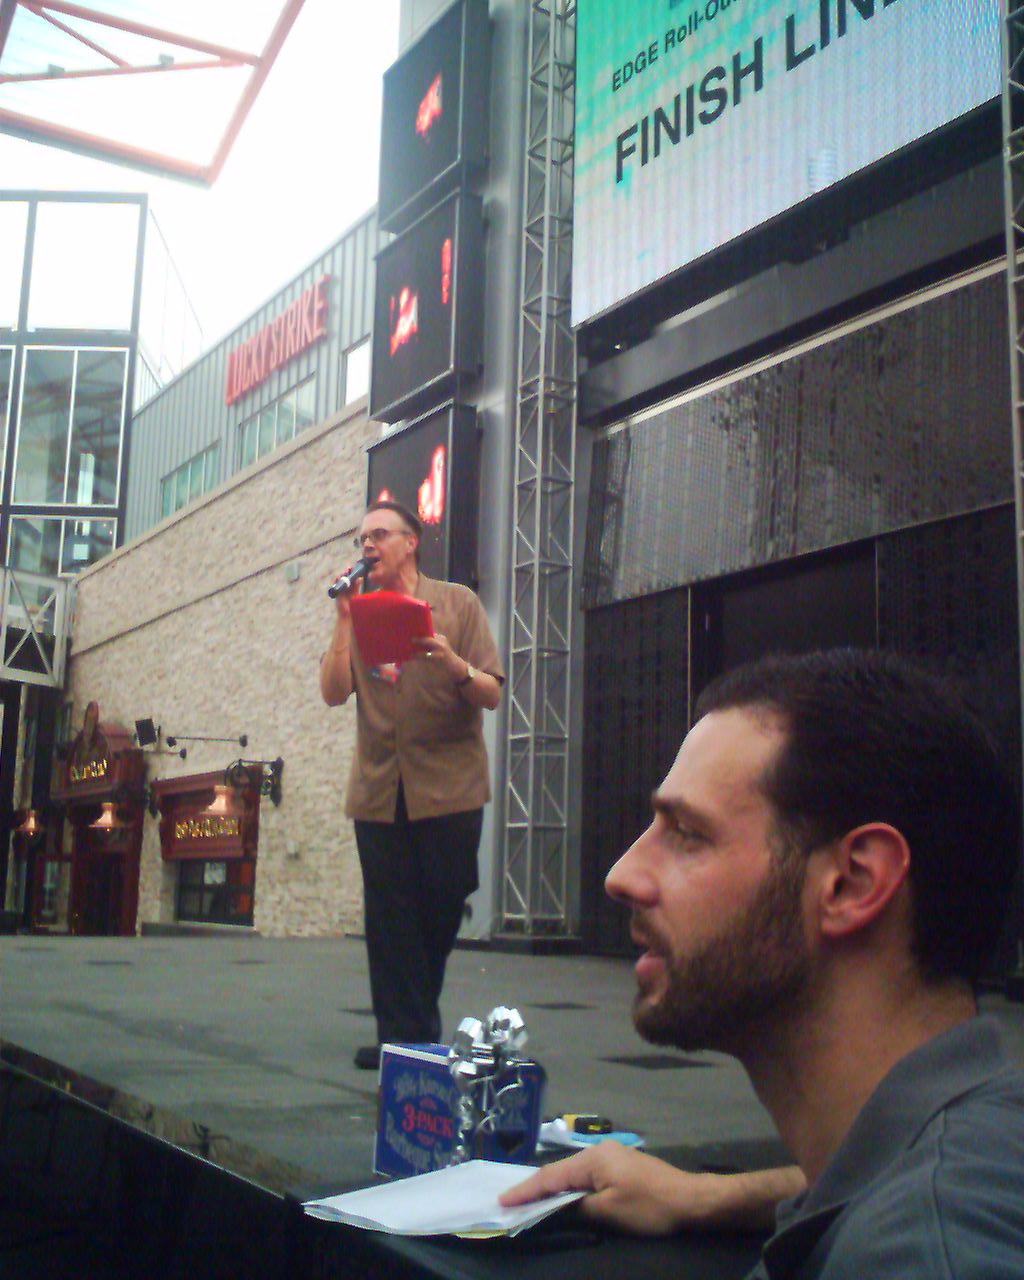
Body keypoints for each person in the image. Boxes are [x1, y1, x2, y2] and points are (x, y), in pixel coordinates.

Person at [502, 649, 1024, 1276]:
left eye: (687, 833)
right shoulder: (970, 1137)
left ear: (852, 884)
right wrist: (708, 1197)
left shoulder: (928, 1250)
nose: (622, 875)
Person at [320, 499, 503, 1070]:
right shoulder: (360, 612)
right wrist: (344, 619)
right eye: (362, 538)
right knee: (388, 920)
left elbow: (492, 693)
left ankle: (410, 1034)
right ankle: (404, 1042)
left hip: (450, 789)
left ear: (410, 542)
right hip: (378, 790)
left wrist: (453, 665)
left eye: (379, 534)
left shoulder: (457, 603)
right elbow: (333, 692)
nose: (367, 545)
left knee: (439, 910)